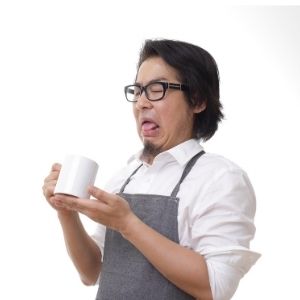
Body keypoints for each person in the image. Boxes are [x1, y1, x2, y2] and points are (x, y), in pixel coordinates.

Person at [42, 39, 260, 300]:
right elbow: (92, 272)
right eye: (138, 91)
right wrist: (67, 213)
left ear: (198, 100)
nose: (141, 103)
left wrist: (127, 223)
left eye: (157, 89)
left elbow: (214, 287)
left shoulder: (221, 178)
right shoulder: (126, 176)